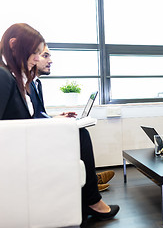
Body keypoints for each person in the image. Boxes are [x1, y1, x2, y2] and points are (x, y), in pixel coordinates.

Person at [0, 23, 119, 225]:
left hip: (24, 148)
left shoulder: (15, 77)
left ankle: (90, 191)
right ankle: (92, 198)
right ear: (14, 45)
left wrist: (54, 122)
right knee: (79, 134)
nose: (38, 59)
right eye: (35, 53)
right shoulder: (4, 77)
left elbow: (26, 121)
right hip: (18, 154)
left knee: (77, 131)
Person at [30, 46, 115, 192]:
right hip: (37, 137)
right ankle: (91, 183)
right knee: (81, 134)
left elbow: (37, 114)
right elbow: (31, 120)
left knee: (81, 131)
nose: (50, 61)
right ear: (32, 57)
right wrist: (53, 121)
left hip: (42, 129)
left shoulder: (36, 83)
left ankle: (91, 179)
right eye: (45, 56)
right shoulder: (27, 84)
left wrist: (55, 117)